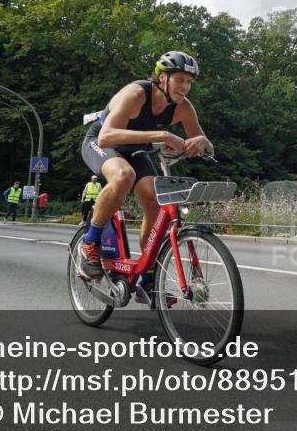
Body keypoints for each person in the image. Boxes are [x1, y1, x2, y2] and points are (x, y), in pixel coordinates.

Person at [78, 50, 212, 299]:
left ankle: (147, 277)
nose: (185, 87)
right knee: (123, 176)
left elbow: (206, 145)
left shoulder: (183, 108)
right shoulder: (136, 94)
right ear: (162, 77)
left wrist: (202, 141)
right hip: (101, 142)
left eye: (189, 82)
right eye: (180, 79)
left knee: (155, 201)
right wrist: (161, 135)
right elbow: (107, 136)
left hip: (136, 151)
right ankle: (90, 243)